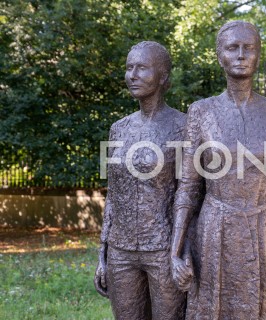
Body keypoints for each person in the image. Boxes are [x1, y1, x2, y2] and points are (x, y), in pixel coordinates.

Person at [170, 21, 266, 320]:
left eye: (249, 48)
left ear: (259, 55)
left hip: (265, 230)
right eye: (232, 47)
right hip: (215, 230)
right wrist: (177, 250)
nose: (241, 55)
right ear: (219, 55)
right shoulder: (201, 112)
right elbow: (188, 188)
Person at [94, 41, 187, 320]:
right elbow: (113, 194)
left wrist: (185, 252)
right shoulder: (118, 129)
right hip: (121, 250)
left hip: (163, 248)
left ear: (162, 77)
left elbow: (191, 194)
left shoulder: (183, 126)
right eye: (129, 68)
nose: (132, 75)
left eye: (142, 68)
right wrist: (104, 252)